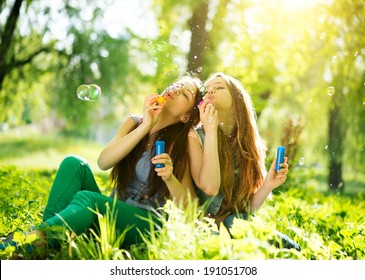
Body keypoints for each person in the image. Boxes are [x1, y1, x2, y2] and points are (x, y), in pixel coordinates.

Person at [0, 74, 203, 254]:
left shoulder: (181, 145)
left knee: (88, 199)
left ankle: (27, 242)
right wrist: (146, 126)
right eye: (176, 85)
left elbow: (191, 207)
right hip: (114, 211)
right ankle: (42, 242)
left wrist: (169, 177)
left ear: (186, 116)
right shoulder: (134, 123)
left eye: (185, 94)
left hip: (145, 225)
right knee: (74, 164)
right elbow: (104, 161)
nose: (176, 90)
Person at [188, 72, 301, 250]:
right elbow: (207, 190)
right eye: (206, 90)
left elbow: (244, 212)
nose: (210, 92)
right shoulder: (196, 136)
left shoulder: (246, 144)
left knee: (282, 243)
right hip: (203, 229)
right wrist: (210, 130)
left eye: (218, 88)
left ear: (237, 99)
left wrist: (267, 186)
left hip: (231, 226)